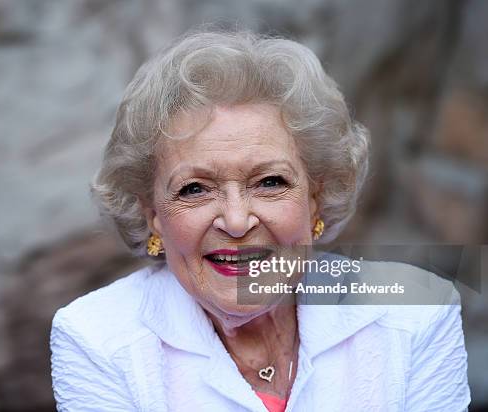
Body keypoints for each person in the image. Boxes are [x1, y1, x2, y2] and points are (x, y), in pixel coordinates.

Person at [50, 29, 470, 411]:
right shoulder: (97, 337)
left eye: (269, 182)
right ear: (153, 216)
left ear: (315, 199)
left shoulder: (416, 313)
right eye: (194, 189)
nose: (235, 221)